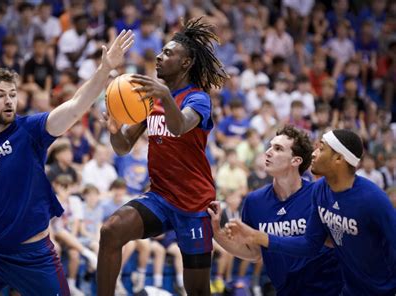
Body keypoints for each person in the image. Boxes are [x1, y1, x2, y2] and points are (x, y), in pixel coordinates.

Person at [0, 29, 134, 296]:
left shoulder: (30, 130)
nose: (9, 100)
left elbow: (75, 106)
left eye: (12, 94)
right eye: (0, 95)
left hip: (33, 255)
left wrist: (104, 70)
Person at [98, 17, 227, 295]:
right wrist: (114, 129)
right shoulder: (152, 101)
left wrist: (166, 97)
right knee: (111, 231)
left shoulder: (198, 99)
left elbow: (180, 126)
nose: (158, 56)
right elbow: (123, 147)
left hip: (194, 206)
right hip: (160, 198)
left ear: (186, 63)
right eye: (160, 51)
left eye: (168, 53)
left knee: (198, 291)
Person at [226, 129, 396, 296]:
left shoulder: (373, 199)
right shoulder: (320, 190)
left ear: (338, 158)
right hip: (348, 288)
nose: (314, 154)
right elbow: (310, 244)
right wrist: (259, 237)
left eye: (321, 149)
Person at [209, 126, 342, 296]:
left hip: (328, 290)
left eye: (278, 149)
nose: (268, 152)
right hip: (285, 290)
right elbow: (254, 252)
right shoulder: (254, 201)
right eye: (270, 146)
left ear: (296, 161)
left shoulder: (319, 195)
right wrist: (216, 232)